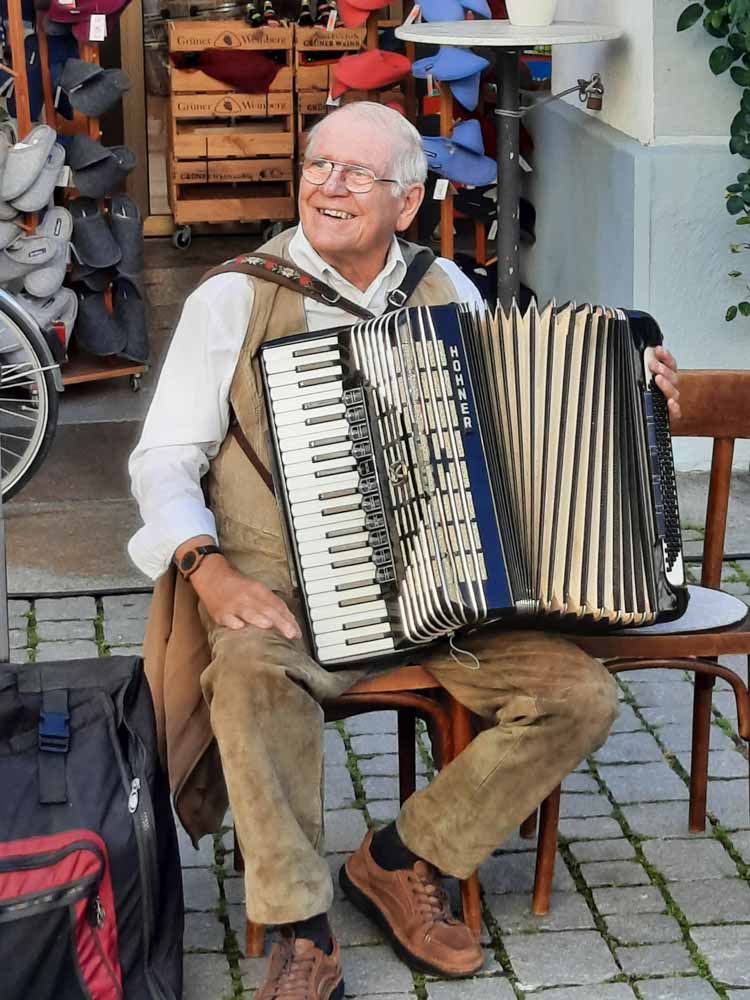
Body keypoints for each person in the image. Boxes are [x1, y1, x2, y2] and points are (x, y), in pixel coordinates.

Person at [130, 102, 682, 1000]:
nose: (328, 186)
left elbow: (528, 433)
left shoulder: (449, 292)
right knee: (245, 675)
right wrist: (208, 566)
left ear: (408, 202)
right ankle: (301, 929)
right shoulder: (237, 293)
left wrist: (634, 392)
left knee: (578, 695)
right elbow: (162, 458)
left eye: (356, 174)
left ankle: (398, 857)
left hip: (447, 591)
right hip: (288, 590)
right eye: (317, 167)